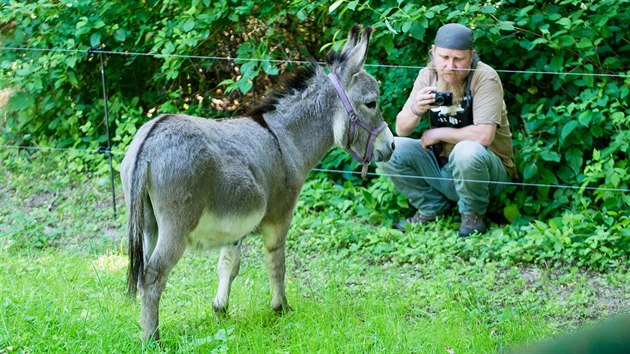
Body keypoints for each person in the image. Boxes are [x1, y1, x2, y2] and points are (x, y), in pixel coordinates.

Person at [377, 23, 516, 237]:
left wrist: (437, 134)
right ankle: (432, 208)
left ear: (472, 55)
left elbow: (484, 135)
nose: (450, 66)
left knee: (466, 150)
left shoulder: (485, 77)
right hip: (443, 167)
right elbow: (401, 129)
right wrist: (417, 108)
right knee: (388, 148)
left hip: (487, 173)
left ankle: (473, 215)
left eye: (458, 59)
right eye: (443, 57)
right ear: (433, 52)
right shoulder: (428, 75)